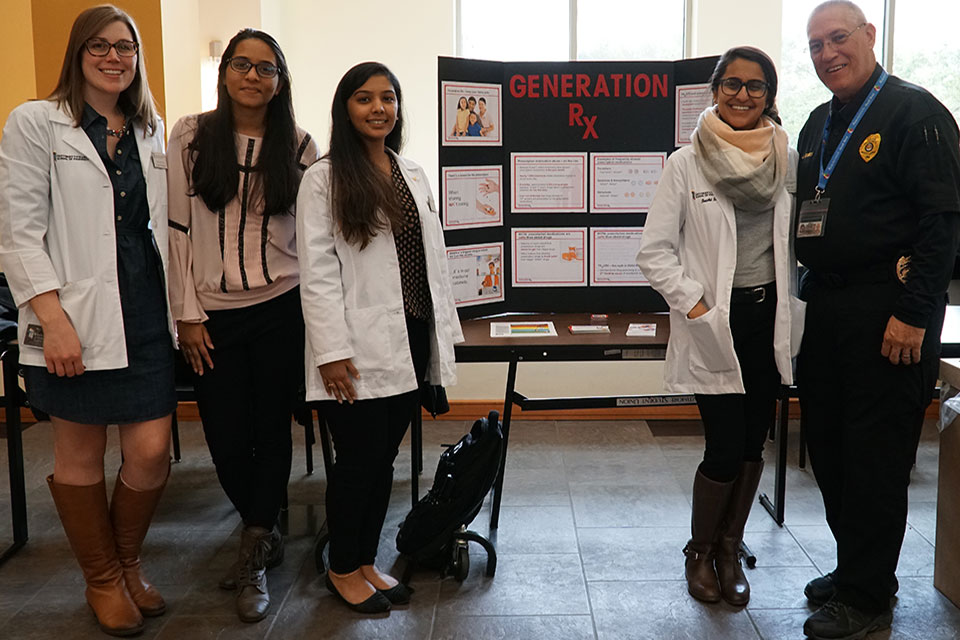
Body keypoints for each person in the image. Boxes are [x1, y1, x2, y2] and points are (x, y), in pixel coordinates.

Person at [0, 5, 174, 636]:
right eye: (98, 46)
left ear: (137, 57)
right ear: (77, 54)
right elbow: (18, 232)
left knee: (151, 451)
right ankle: (103, 579)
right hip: (71, 312)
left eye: (124, 47)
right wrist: (53, 318)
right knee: (81, 452)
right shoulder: (36, 122)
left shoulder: (150, 130)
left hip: (146, 310)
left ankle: (127, 562)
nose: (113, 57)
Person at [794, 2, 960, 638]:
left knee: (875, 458)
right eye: (815, 46)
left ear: (869, 35)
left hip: (889, 315)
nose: (828, 53)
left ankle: (867, 598)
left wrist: (915, 317)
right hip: (830, 309)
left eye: (839, 38)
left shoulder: (916, 113)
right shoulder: (817, 124)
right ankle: (854, 566)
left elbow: (941, 225)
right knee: (831, 451)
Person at [636, 46, 803, 607]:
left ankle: (731, 550)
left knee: (756, 439)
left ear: (769, 96)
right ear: (714, 90)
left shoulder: (788, 159)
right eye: (731, 84)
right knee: (724, 444)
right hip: (718, 322)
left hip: (768, 316)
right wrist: (698, 306)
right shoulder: (686, 163)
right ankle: (699, 551)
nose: (742, 95)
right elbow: (654, 253)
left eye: (755, 86)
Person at [297, 61, 463, 613]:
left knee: (385, 460)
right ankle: (342, 567)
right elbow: (317, 273)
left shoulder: (410, 171)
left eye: (387, 98)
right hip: (354, 346)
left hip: (411, 338)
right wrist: (331, 353)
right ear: (346, 108)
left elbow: (428, 262)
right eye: (365, 98)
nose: (378, 108)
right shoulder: (323, 178)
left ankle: (366, 560)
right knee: (359, 461)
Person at [166, 28, 319, 623]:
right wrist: (186, 312)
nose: (252, 76)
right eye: (241, 64)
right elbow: (176, 230)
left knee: (272, 431)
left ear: (280, 80)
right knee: (227, 438)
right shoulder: (190, 136)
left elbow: (310, 240)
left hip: (282, 306)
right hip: (212, 315)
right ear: (225, 72)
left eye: (266, 68)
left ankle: (254, 546)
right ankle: (263, 530)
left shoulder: (300, 145)